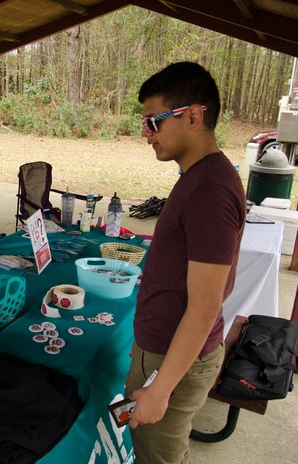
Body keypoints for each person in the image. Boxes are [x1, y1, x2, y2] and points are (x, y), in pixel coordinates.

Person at [124, 62, 246, 463]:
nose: (145, 134)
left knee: (159, 456)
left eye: (153, 122)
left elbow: (206, 304)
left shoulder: (209, 189)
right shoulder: (199, 176)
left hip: (172, 362)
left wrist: (160, 388)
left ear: (193, 116)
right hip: (164, 351)